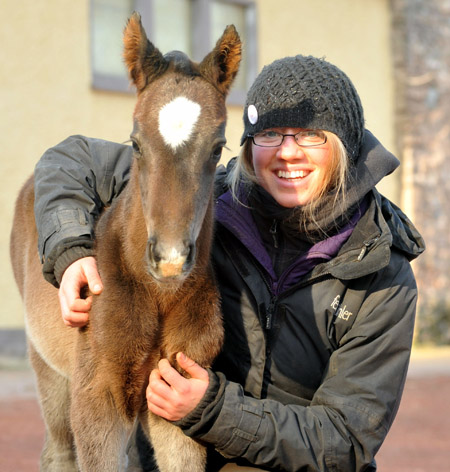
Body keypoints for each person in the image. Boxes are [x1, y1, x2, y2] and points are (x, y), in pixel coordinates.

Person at [34, 54, 425, 471]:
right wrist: (70, 252)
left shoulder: (380, 273)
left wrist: (214, 410)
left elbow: (346, 440)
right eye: (270, 134)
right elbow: (68, 162)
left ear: (343, 144)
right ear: (248, 145)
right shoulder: (213, 197)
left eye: (310, 135)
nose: (288, 152)